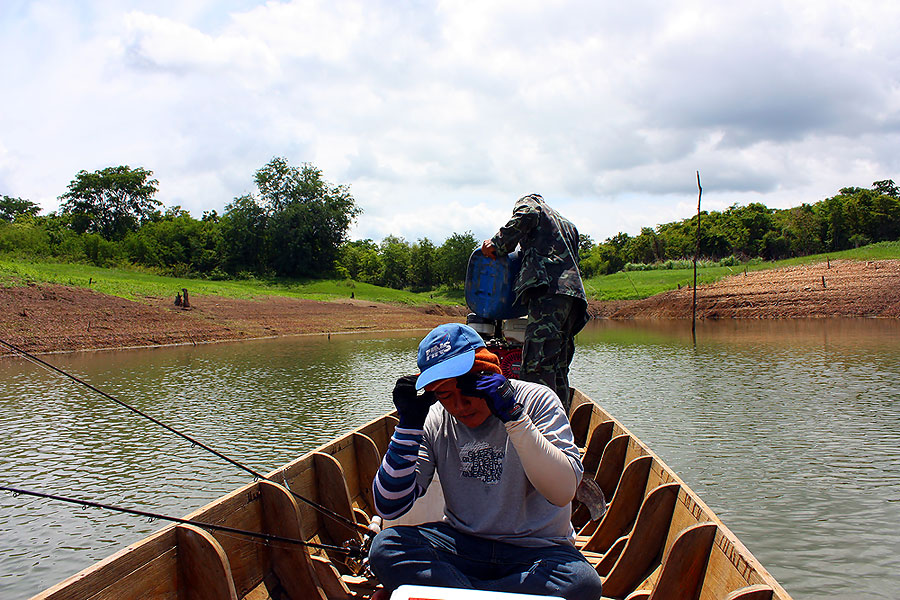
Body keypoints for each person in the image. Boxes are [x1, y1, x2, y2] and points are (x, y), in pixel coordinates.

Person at [367, 323, 603, 600]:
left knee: (582, 583)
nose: (459, 406)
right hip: (461, 544)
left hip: (538, 550)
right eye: (444, 395)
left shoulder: (536, 400)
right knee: (386, 548)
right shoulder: (433, 420)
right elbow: (389, 506)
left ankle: (454, 593)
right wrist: (407, 426)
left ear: (487, 371)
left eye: (467, 389)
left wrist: (515, 418)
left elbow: (563, 492)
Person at [482, 194, 589, 412]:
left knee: (535, 366)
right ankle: (561, 424)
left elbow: (527, 214)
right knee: (558, 367)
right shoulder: (567, 225)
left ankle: (538, 428)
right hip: (573, 296)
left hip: (548, 291)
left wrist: (497, 244)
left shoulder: (532, 204)